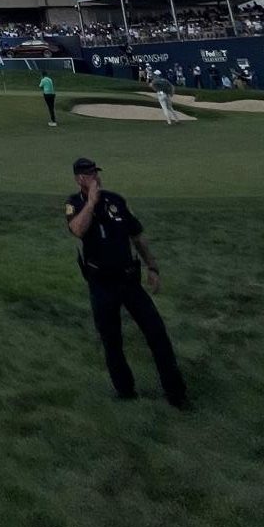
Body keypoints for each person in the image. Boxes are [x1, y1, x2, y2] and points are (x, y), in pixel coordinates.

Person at [64, 157, 188, 408]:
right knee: (112, 341)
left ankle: (176, 394)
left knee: (157, 334)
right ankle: (125, 391)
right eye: (89, 174)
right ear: (79, 179)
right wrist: (91, 203)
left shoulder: (117, 201)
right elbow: (77, 229)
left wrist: (152, 266)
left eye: (96, 173)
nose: (95, 177)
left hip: (129, 280)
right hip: (101, 284)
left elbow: (137, 236)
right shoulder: (74, 204)